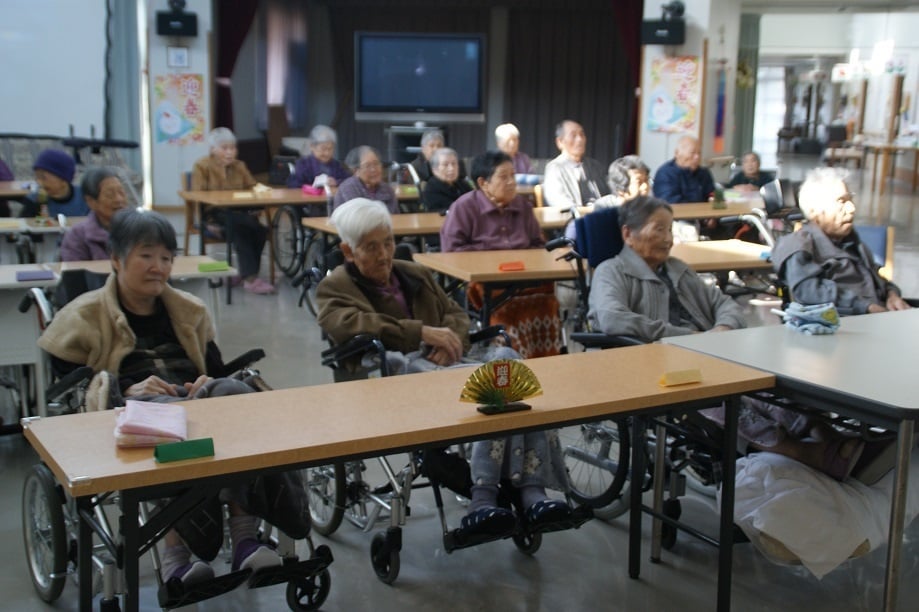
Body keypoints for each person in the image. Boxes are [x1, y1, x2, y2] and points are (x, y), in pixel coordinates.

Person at [38, 208, 291, 587]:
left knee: (236, 395)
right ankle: (176, 558)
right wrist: (124, 389)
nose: (158, 266)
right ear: (116, 258)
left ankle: (245, 540)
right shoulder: (84, 316)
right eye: (147, 255)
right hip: (135, 416)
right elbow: (70, 383)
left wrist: (206, 381)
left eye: (166, 258)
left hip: (194, 402)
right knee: (166, 418)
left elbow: (215, 368)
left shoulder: (189, 310)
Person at [588, 195, 886, 483]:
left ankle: (834, 440)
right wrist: (687, 338)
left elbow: (726, 304)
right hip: (659, 367)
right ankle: (808, 453)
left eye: (670, 229)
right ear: (628, 233)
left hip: (709, 352)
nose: (669, 238)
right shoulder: (611, 272)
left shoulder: (678, 269)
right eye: (660, 229)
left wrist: (723, 330)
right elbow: (613, 318)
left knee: (765, 384)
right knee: (725, 400)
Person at [316, 197, 570, 535]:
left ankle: (532, 492)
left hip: (452, 367)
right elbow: (348, 324)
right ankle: (485, 497)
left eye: (388, 242)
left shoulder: (414, 273)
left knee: (511, 367)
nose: (384, 254)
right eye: (371, 247)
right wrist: (421, 332)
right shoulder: (334, 288)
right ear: (348, 252)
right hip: (400, 377)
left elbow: (456, 314)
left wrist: (451, 338)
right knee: (496, 388)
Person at [440, 151, 562, 358]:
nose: (511, 182)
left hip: (525, 277)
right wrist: (491, 257)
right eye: (503, 177)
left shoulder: (523, 207)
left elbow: (538, 245)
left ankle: (544, 354)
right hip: (485, 281)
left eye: (513, 176)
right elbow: (451, 251)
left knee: (546, 294)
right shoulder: (464, 207)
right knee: (505, 305)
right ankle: (509, 355)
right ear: (483, 183)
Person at [772, 167, 911, 316]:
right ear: (814, 210)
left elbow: (877, 280)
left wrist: (892, 295)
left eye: (850, 199)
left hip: (880, 316)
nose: (852, 208)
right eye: (841, 201)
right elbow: (809, 293)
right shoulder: (798, 246)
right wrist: (865, 306)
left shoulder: (851, 242)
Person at [191, 127, 274, 295]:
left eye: (233, 148)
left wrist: (260, 192)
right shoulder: (202, 166)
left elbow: (252, 186)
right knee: (241, 228)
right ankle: (250, 279)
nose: (230, 152)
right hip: (215, 215)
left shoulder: (239, 166)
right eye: (224, 148)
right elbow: (197, 197)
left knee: (260, 230)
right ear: (213, 149)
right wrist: (206, 223)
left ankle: (244, 275)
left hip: (239, 213)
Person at [60, 167, 129, 261]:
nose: (119, 199)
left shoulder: (140, 230)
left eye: (121, 192)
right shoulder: (77, 236)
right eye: (110, 195)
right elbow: (75, 272)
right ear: (91, 202)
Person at [542, 119, 610, 208]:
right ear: (560, 142)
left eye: (582, 135)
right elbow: (558, 200)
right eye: (573, 135)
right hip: (576, 218)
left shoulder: (595, 166)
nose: (580, 139)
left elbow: (609, 194)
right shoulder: (555, 168)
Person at [21, 149, 91, 218]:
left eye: (44, 178)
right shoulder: (33, 200)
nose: (39, 182)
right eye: (37, 177)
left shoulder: (86, 198)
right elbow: (23, 225)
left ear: (63, 180)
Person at [332, 146, 399, 214]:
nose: (373, 169)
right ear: (356, 171)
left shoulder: (387, 190)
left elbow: (395, 217)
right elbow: (360, 218)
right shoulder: (348, 188)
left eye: (376, 164)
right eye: (367, 166)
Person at [652, 135, 715, 204]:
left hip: (703, 213)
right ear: (677, 153)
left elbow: (712, 194)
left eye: (699, 153)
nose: (697, 157)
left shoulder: (704, 173)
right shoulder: (665, 173)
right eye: (692, 153)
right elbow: (669, 202)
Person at [286, 124, 351, 189]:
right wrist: (313, 186)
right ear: (312, 147)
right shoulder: (303, 164)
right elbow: (293, 184)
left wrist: (336, 182)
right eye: (323, 149)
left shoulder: (336, 165)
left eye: (330, 149)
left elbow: (349, 181)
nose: (327, 153)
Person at [421, 147, 472, 214]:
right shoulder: (432, 188)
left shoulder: (461, 183)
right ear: (435, 169)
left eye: (454, 164)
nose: (451, 168)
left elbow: (475, 200)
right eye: (445, 165)